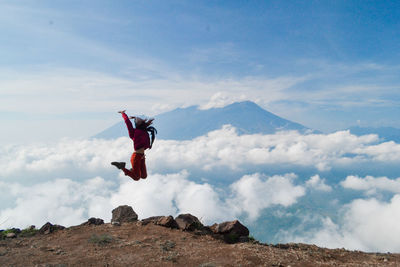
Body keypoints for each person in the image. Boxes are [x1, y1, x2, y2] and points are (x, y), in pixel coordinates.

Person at [111, 110, 157, 181]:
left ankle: (132, 170)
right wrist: (123, 114)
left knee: (144, 176)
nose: (138, 120)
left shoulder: (144, 131)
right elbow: (127, 122)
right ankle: (122, 166)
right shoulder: (133, 132)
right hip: (136, 157)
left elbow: (140, 122)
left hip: (142, 157)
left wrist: (135, 117)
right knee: (136, 178)